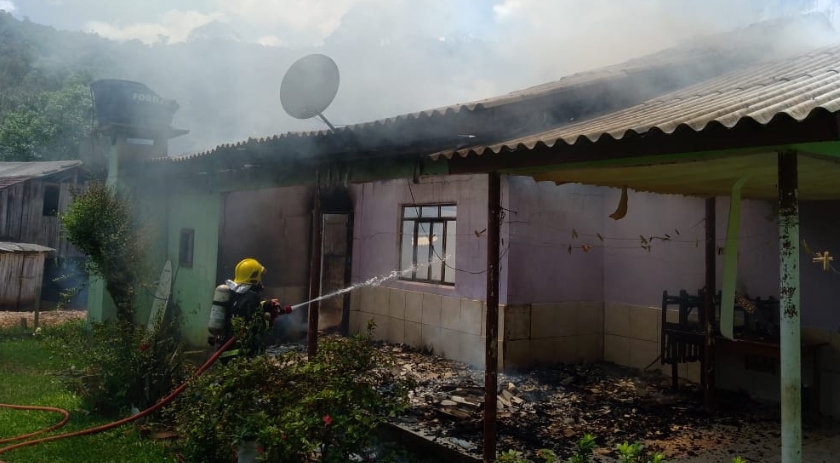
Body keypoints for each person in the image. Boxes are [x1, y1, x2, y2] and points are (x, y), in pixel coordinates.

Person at [212, 258, 291, 361]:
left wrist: (267, 304)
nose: (261, 281)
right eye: (260, 276)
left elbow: (243, 310)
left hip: (225, 349)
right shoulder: (251, 297)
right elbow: (256, 326)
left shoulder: (233, 293)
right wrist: (269, 320)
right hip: (242, 353)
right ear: (253, 277)